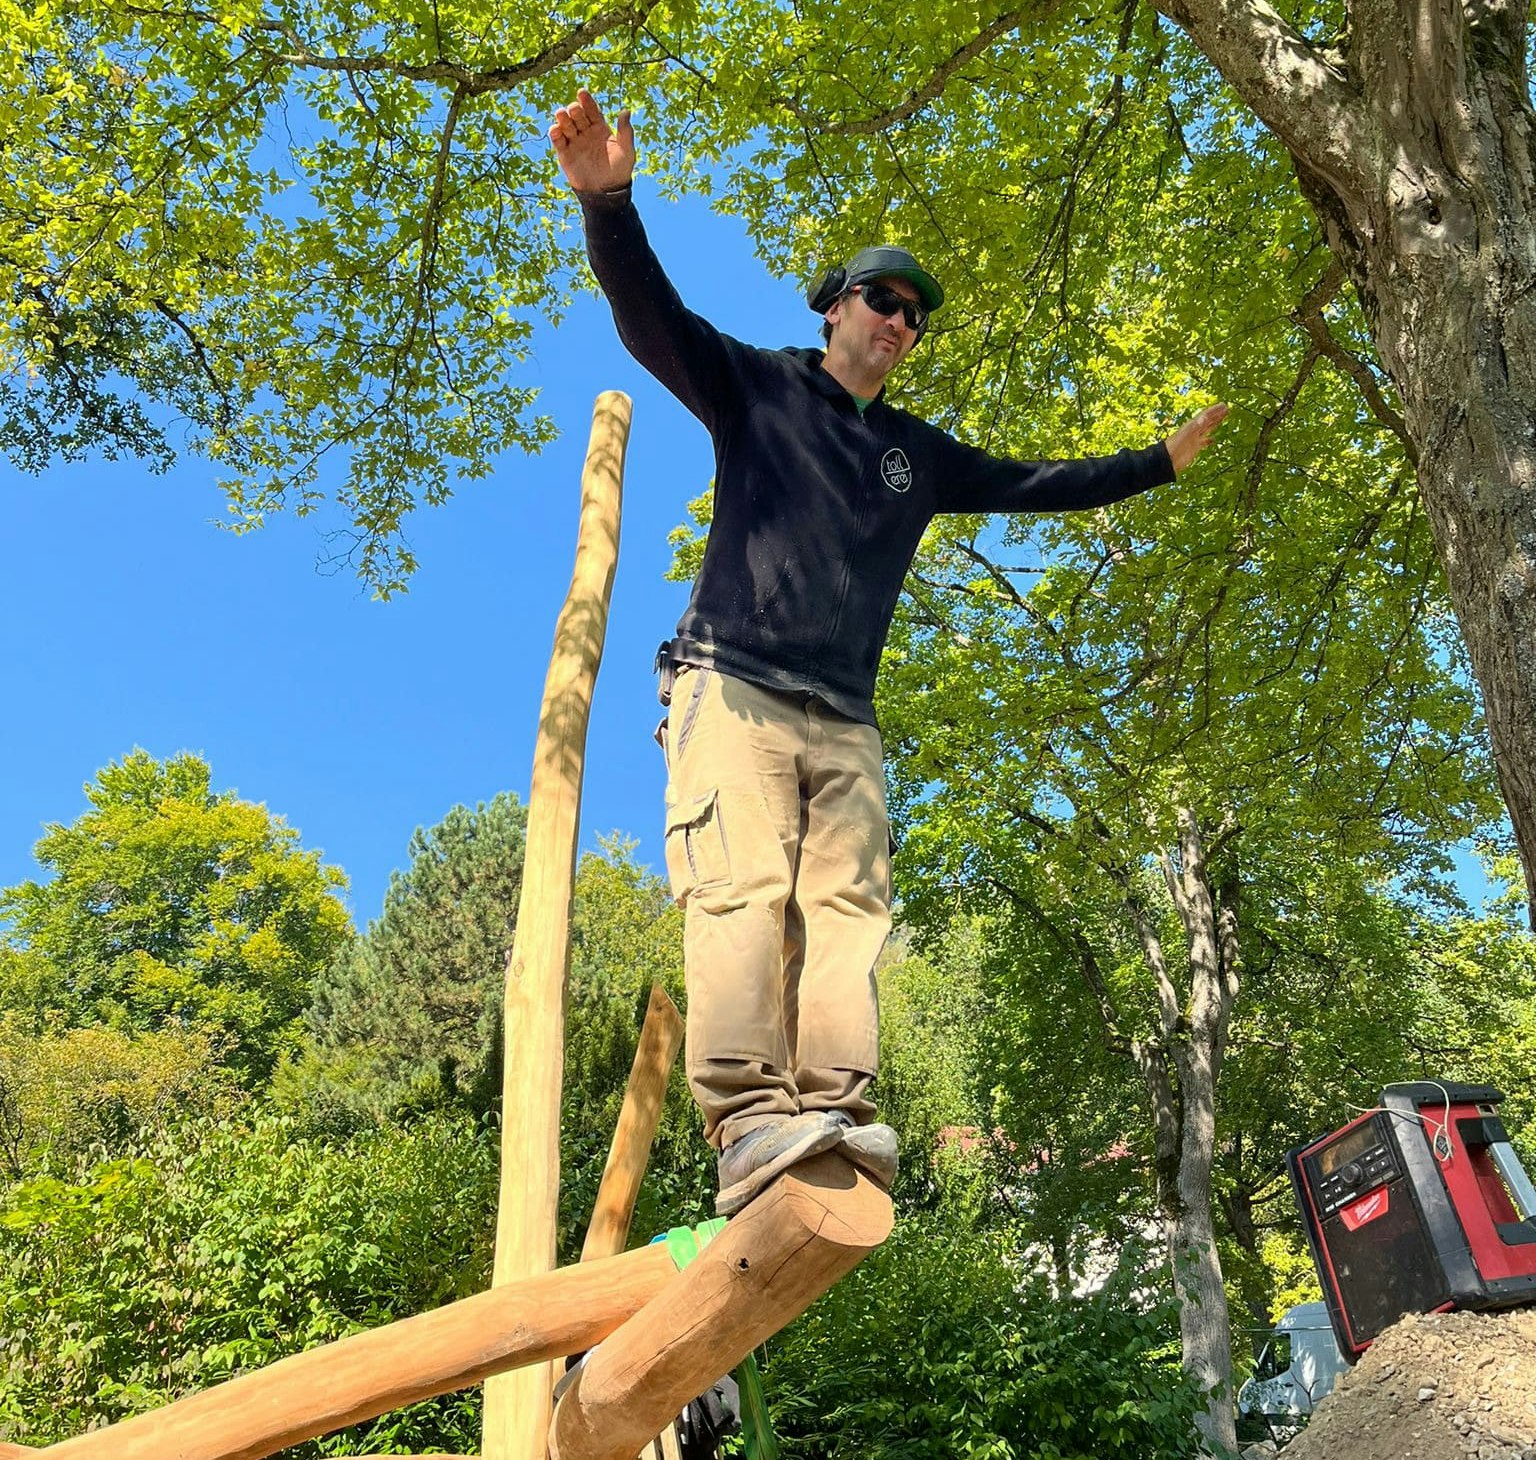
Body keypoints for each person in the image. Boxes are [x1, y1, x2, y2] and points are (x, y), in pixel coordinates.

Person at [549, 89, 1228, 1217]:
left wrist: (1159, 461)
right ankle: (749, 1116)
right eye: (883, 298)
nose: (900, 321)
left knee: (853, 914)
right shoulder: (758, 386)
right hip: (735, 686)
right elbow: (649, 317)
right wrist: (608, 204)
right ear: (834, 309)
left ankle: (831, 1112)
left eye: (916, 314)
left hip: (846, 716)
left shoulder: (917, 454)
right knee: (743, 892)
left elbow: (1038, 483)